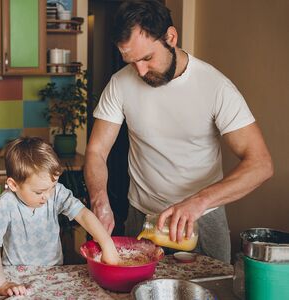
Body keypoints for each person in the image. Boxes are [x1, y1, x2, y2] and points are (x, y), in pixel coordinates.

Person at [84, 0, 273, 263]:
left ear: (171, 37)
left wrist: (199, 201)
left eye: (147, 58)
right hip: (143, 220)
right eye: (131, 61)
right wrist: (99, 199)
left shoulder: (216, 87)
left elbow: (261, 164)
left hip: (202, 220)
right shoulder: (119, 83)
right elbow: (96, 151)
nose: (139, 71)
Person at [0, 137, 119, 297]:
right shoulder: (7, 203)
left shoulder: (56, 192)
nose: (47, 196)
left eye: (51, 187)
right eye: (39, 192)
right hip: (16, 276)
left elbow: (83, 214)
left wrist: (107, 243)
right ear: (13, 185)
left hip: (53, 273)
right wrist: (2, 284)